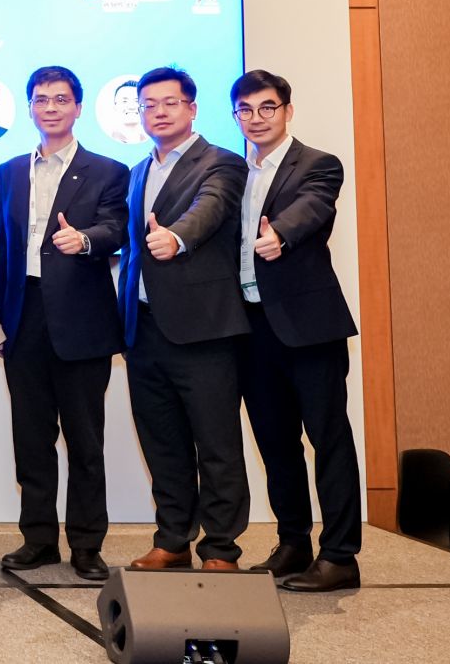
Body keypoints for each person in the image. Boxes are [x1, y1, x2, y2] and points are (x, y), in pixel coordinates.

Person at [0, 66, 129, 582]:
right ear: (29, 107)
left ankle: (87, 545)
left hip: (81, 321)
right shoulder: (8, 171)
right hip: (23, 314)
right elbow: (2, 249)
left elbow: (117, 229)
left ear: (78, 107)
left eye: (61, 99)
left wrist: (85, 239)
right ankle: (39, 540)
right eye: (41, 99)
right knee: (31, 437)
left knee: (86, 442)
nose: (50, 107)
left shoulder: (108, 170)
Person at [230, 70, 362, 592]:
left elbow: (312, 208)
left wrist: (280, 234)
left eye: (267, 107)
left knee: (328, 439)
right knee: (275, 441)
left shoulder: (318, 164)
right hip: (250, 328)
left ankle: (340, 556)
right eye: (245, 110)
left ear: (287, 111)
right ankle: (293, 544)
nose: (256, 118)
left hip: (308, 326)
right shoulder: (233, 172)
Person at [120, 67, 251, 571]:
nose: (158, 112)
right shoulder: (138, 171)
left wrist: (176, 237)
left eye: (169, 103)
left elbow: (209, 208)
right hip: (145, 328)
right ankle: (173, 540)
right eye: (148, 105)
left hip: (204, 330)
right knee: (163, 443)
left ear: (192, 109)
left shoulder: (222, 162)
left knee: (216, 443)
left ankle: (221, 548)